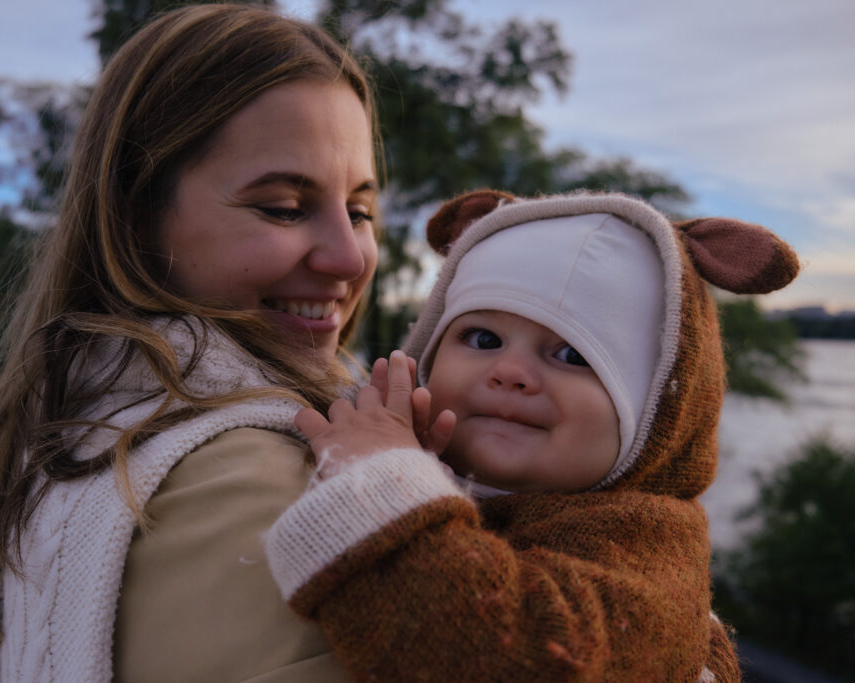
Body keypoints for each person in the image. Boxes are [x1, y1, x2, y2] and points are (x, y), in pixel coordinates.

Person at [0, 5, 381, 681]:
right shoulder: (274, 487)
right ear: (137, 218)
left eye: (361, 210)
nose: (350, 258)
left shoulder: (73, 424)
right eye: (284, 207)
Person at [265, 190, 800, 681]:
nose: (510, 371)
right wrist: (418, 475)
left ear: (656, 414)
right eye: (482, 337)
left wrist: (378, 486)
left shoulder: (644, 549)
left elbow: (512, 656)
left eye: (572, 355)